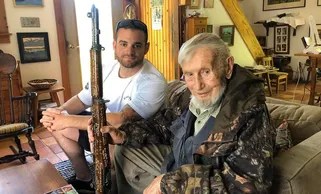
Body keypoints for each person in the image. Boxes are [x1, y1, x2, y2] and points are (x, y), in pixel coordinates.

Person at [90, 33, 275, 193]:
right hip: (178, 166)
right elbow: (161, 126)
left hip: (200, 185)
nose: (198, 85)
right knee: (124, 148)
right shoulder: (188, 96)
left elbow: (250, 186)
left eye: (206, 71)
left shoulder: (249, 111)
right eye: (189, 74)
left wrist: (172, 182)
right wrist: (123, 133)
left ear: (227, 67)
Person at [40, 19, 167, 193]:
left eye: (137, 45)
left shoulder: (153, 81)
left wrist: (67, 120)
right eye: (124, 44)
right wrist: (58, 113)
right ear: (114, 45)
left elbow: (122, 119)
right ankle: (84, 177)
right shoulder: (105, 69)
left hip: (130, 138)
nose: (129, 51)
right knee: (58, 124)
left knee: (101, 133)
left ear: (146, 47)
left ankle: (106, 185)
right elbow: (81, 99)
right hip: (101, 129)